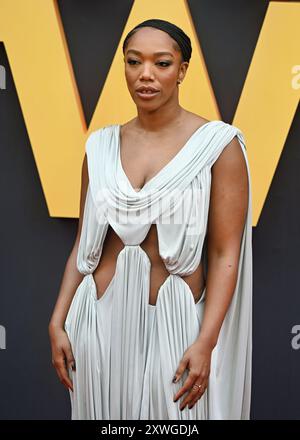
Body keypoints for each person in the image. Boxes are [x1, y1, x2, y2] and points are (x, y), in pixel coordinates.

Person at [48, 18, 252, 420]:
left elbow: (226, 251)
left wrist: (206, 341)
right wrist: (58, 321)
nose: (146, 75)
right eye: (133, 62)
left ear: (182, 70)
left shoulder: (218, 145)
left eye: (161, 63)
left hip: (176, 325)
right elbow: (84, 245)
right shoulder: (100, 147)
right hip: (97, 325)